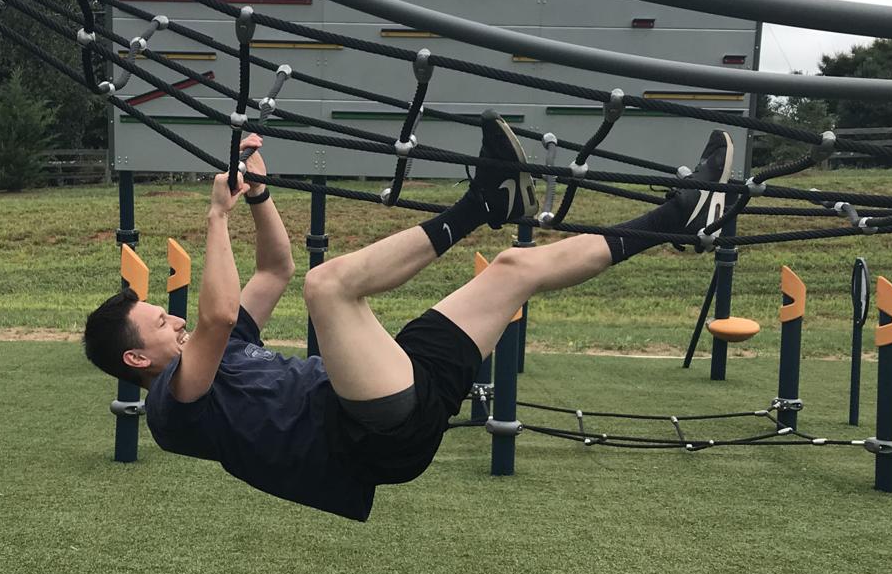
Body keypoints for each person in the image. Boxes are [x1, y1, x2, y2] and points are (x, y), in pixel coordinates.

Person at [83, 115, 734, 521]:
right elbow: (219, 315)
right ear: (137, 359)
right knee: (330, 286)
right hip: (369, 434)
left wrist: (259, 195)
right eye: (160, 325)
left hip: (391, 397)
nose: (174, 322)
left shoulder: (217, 355)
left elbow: (273, 270)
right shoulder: (172, 408)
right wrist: (216, 216)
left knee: (513, 269)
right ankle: (482, 202)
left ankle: (680, 218)